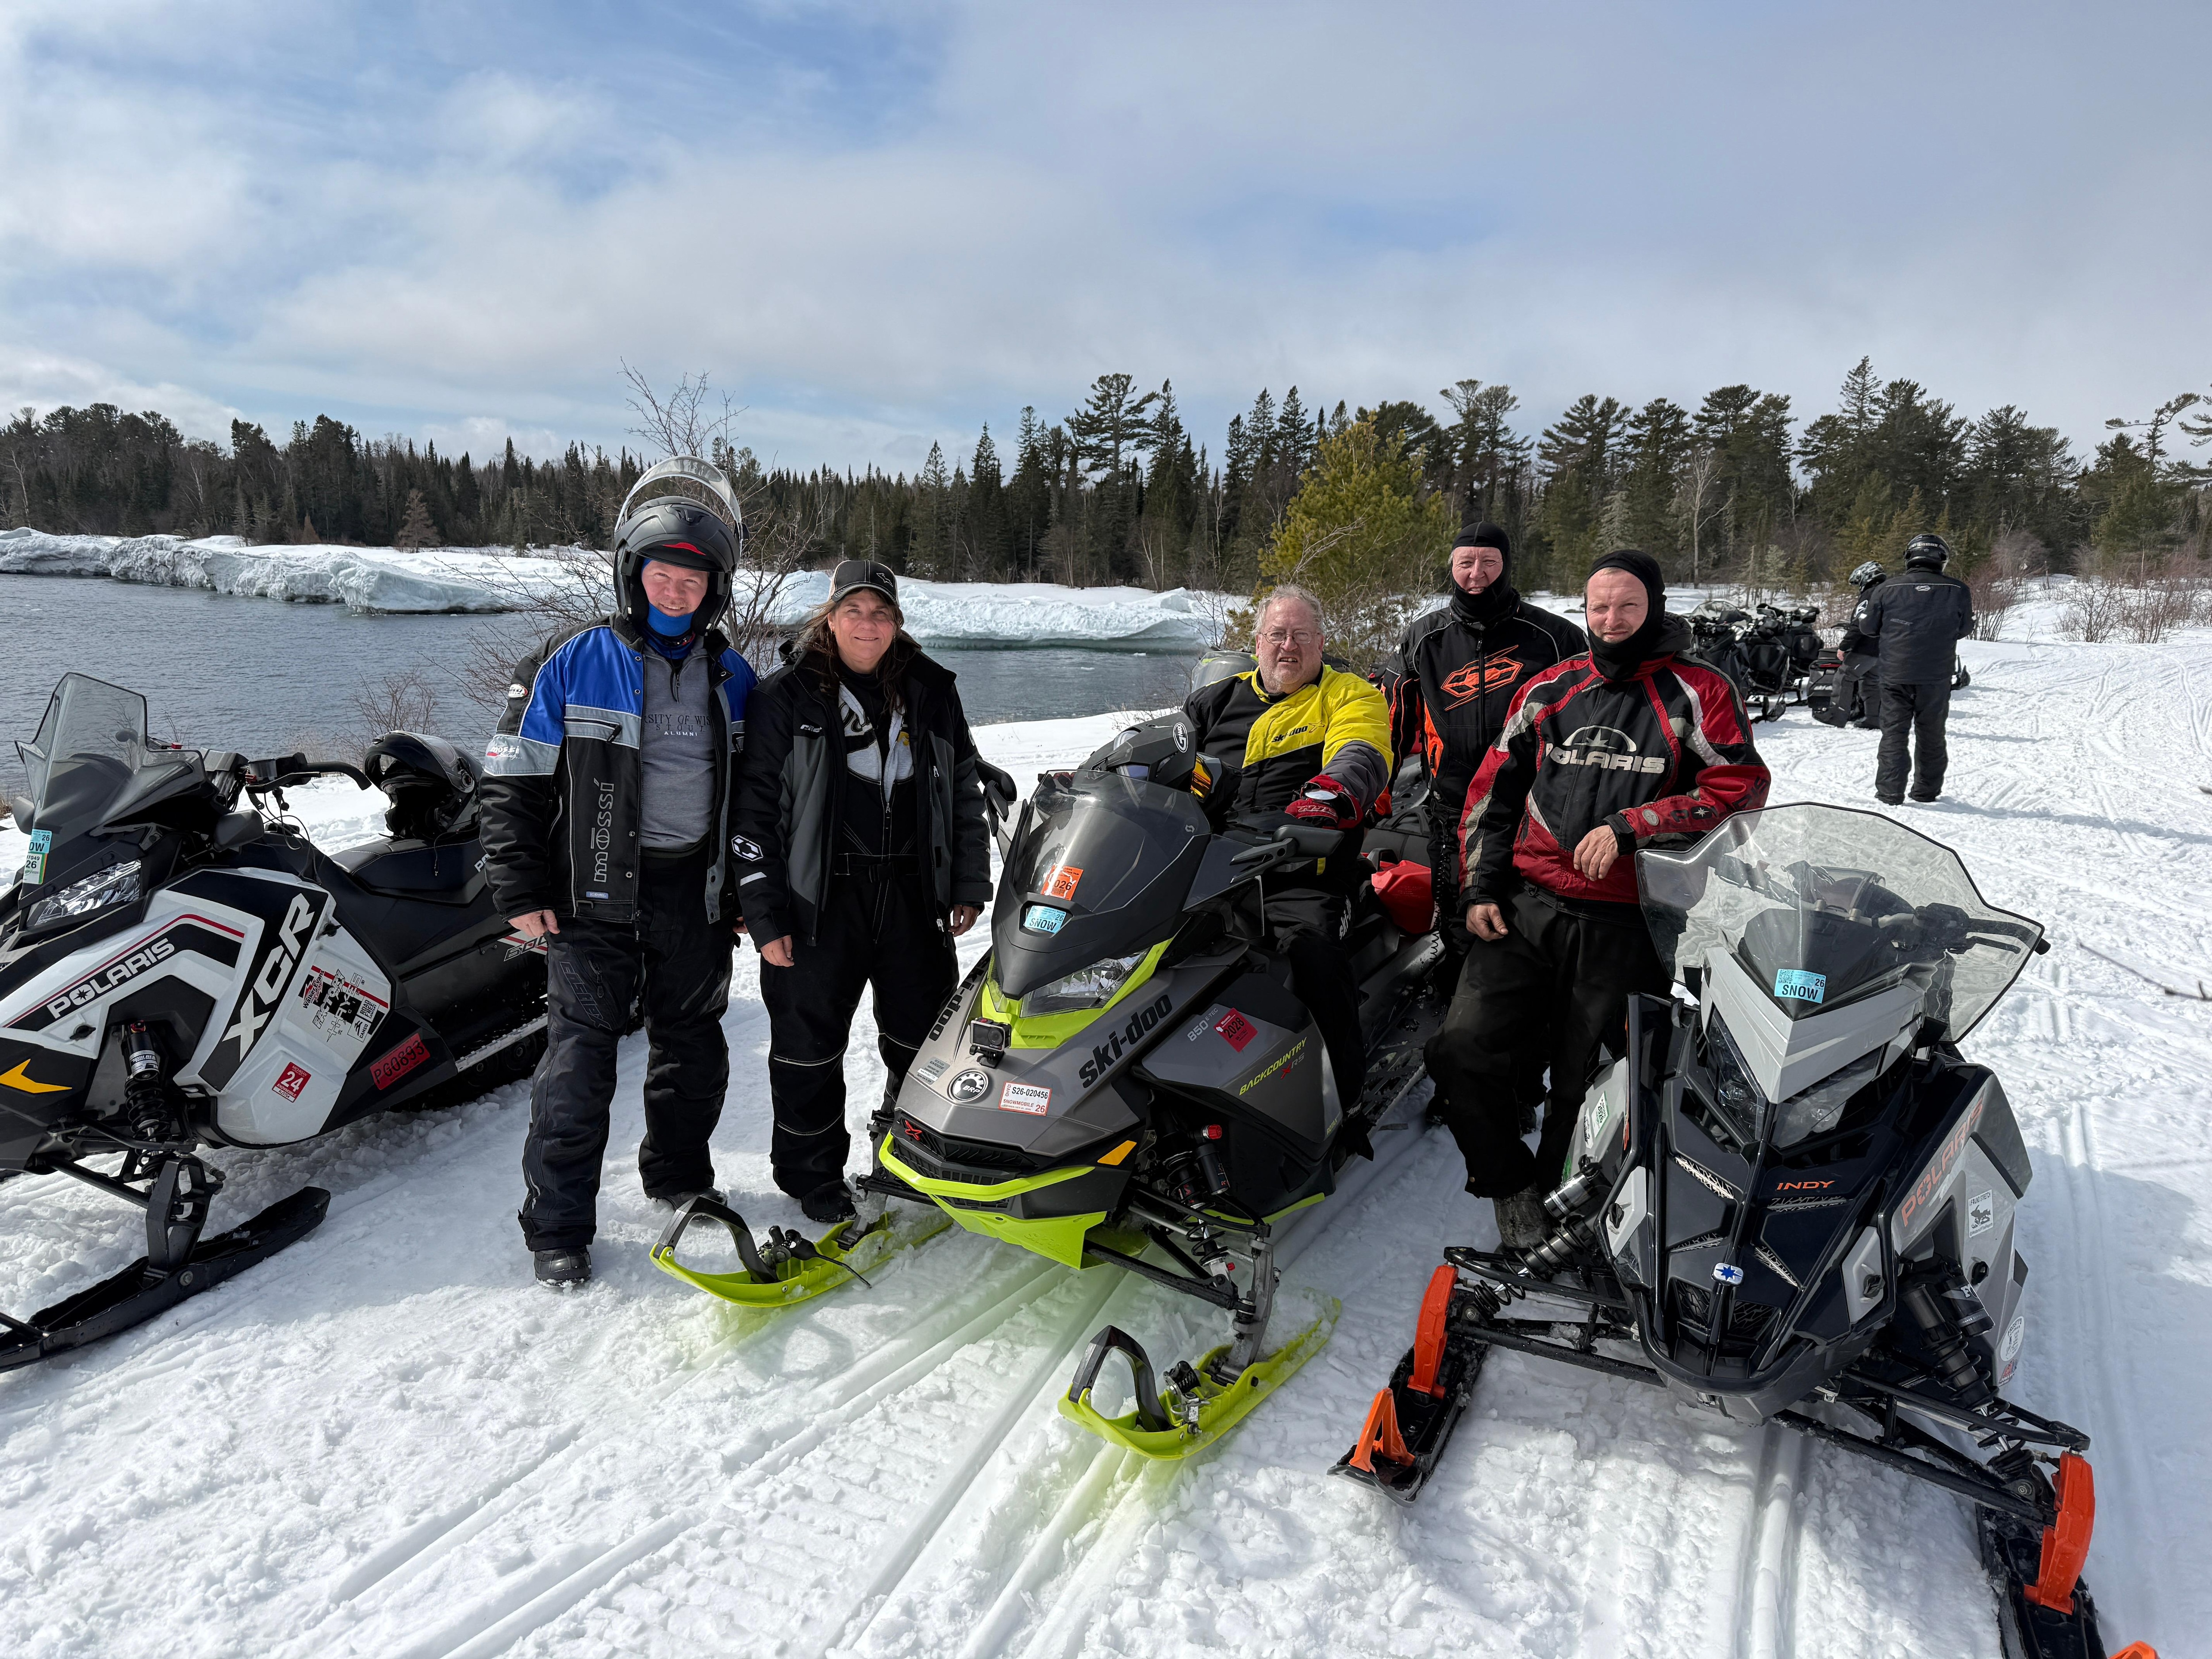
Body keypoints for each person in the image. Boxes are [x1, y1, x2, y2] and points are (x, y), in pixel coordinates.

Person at [1428, 550, 1770, 1247]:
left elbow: (1740, 790)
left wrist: (1636, 825)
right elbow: (1492, 794)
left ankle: (1566, 1211)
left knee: (1591, 1083)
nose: (1611, 619)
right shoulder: (1550, 688)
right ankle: (1508, 1184)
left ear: (1655, 607)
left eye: (1627, 605)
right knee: (1460, 1049)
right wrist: (1481, 887)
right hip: (1530, 906)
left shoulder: (1698, 690)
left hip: (1632, 915)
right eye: (1599, 607)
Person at [480, 484, 757, 1290]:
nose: (675, 590)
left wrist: (746, 891)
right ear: (632, 574)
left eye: (692, 578)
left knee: (692, 1050)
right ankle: (558, 1224)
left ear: (714, 588)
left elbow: (757, 798)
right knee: (578, 1064)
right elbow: (512, 778)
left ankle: (679, 1177)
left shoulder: (734, 675)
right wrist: (519, 885)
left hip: (694, 895)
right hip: (591, 896)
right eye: (661, 574)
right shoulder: (570, 660)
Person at [732, 561, 991, 1224]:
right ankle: (812, 1175)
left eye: (880, 613)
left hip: (913, 895)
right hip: (819, 900)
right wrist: (763, 912)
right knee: (808, 1049)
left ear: (896, 622)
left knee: (922, 1043)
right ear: (830, 618)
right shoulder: (785, 695)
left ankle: (911, 1156)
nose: (867, 625)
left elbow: (963, 790)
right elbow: (753, 812)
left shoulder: (932, 691)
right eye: (853, 611)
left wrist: (967, 881)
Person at [1183, 585, 1392, 1115]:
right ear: (1257, 642)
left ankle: (1341, 1102)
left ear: (1320, 643)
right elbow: (1169, 752)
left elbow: (1361, 749)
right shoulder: (1215, 700)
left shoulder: (1348, 696)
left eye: (1301, 635)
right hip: (1207, 869)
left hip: (1302, 870)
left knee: (1311, 956)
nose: (1288, 646)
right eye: (1277, 635)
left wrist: (1329, 795)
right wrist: (1104, 779)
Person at [1381, 522, 1587, 951]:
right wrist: (1377, 794)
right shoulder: (1424, 637)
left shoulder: (1556, 637)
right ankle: (1455, 983)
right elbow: (1394, 724)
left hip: (1534, 809)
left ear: (1506, 565)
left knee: (1531, 921)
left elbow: (1589, 718)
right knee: (1458, 918)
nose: (1476, 574)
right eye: (1466, 563)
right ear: (1451, 567)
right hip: (1452, 806)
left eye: (1489, 562)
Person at [1859, 533, 1973, 804]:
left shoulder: (1887, 589)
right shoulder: (1958, 590)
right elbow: (1965, 628)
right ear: (1942, 559)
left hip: (1894, 674)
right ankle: (1926, 791)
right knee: (1932, 734)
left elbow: (1868, 627)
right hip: (1936, 676)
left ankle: (1890, 792)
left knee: (1894, 733)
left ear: (1910, 556)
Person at [1816, 561, 1887, 729]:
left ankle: (1837, 716)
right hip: (1883, 648)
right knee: (1871, 682)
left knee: (1844, 677)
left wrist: (1844, 646)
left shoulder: (1870, 594)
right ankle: (1874, 718)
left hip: (1866, 647)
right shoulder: (1886, 593)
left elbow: (1860, 622)